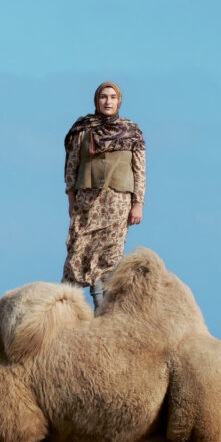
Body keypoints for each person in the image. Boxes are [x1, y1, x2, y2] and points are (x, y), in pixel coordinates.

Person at [62, 81, 146, 309]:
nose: (107, 102)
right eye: (103, 97)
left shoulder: (132, 131)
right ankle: (68, 312)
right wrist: (71, 201)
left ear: (119, 101)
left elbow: (139, 170)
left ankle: (103, 310)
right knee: (79, 255)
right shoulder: (82, 130)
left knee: (109, 259)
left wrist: (138, 203)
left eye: (112, 97)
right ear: (96, 100)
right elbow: (71, 167)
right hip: (87, 204)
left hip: (117, 204)